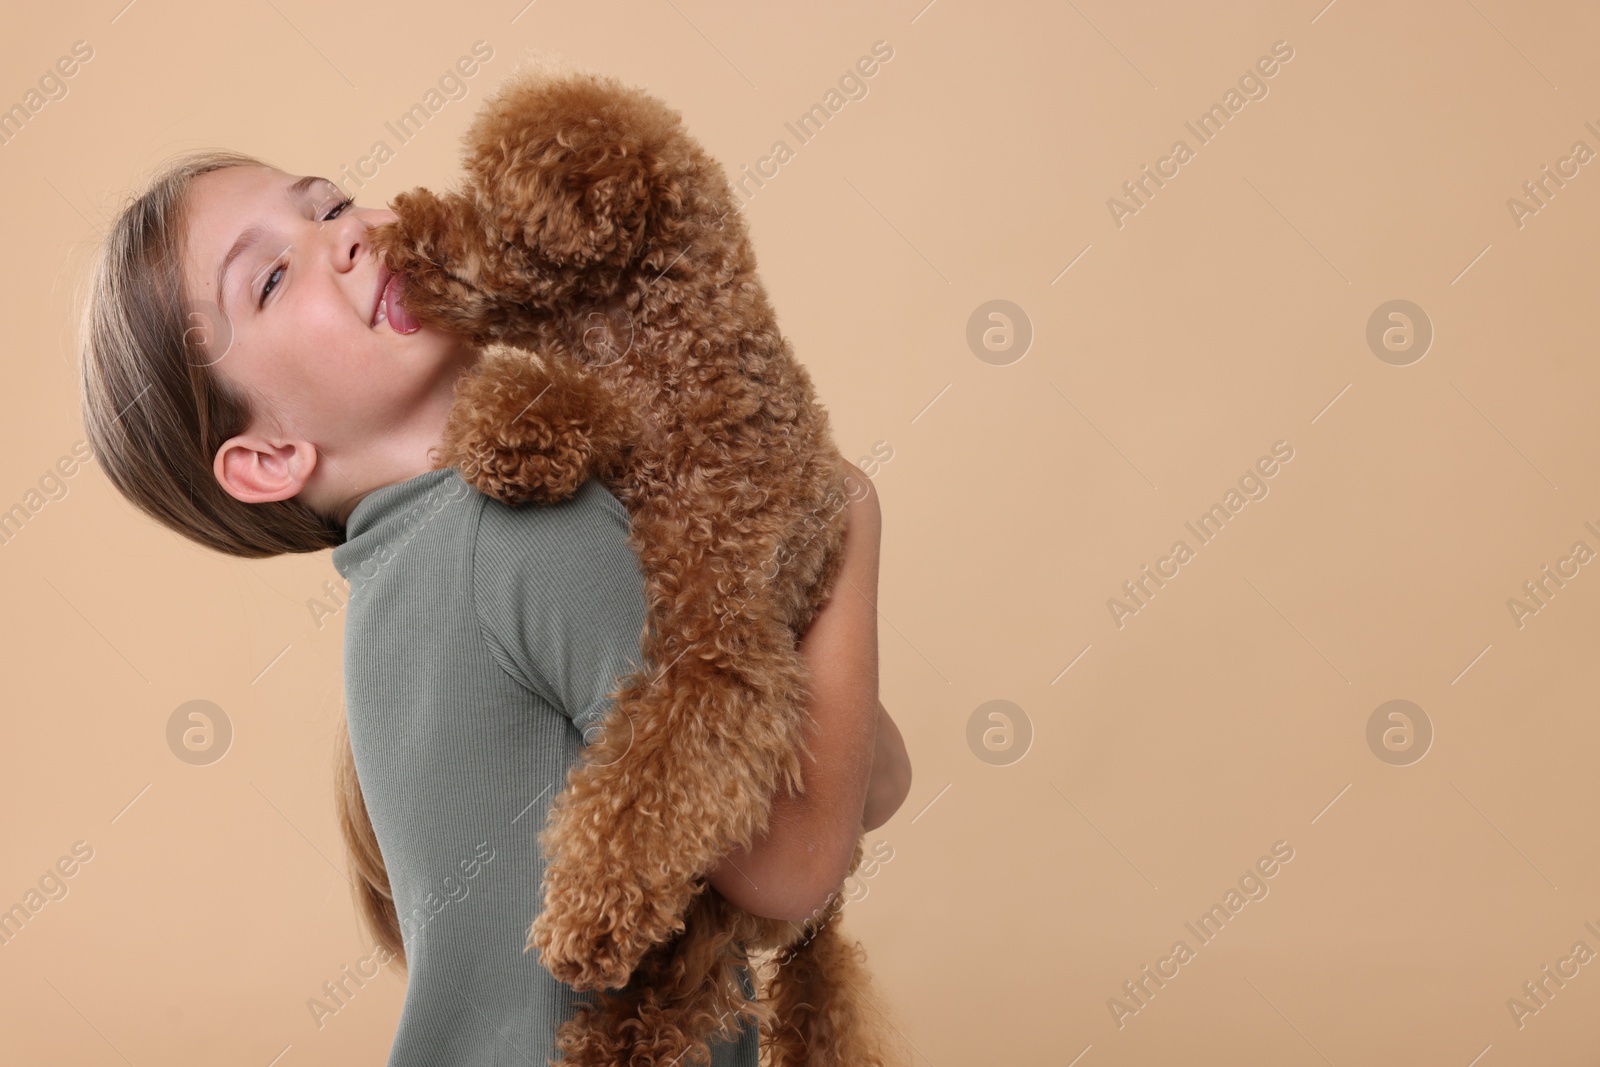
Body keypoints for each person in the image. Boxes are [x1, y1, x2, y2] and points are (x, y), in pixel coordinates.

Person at [77, 151, 913, 1066]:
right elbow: (792, 863)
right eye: (271, 278)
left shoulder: (414, 585)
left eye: (332, 204)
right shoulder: (521, 533)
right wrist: (847, 517)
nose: (347, 235)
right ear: (270, 458)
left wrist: (752, 586)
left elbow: (862, 779)